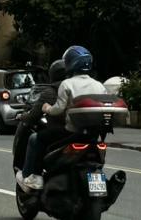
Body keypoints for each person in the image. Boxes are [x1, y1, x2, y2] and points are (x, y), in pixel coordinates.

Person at [18, 46, 106, 191]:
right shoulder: (99, 85)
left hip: (69, 133)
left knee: (35, 138)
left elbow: (59, 108)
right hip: (92, 136)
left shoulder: (67, 84)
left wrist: (47, 108)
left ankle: (34, 177)